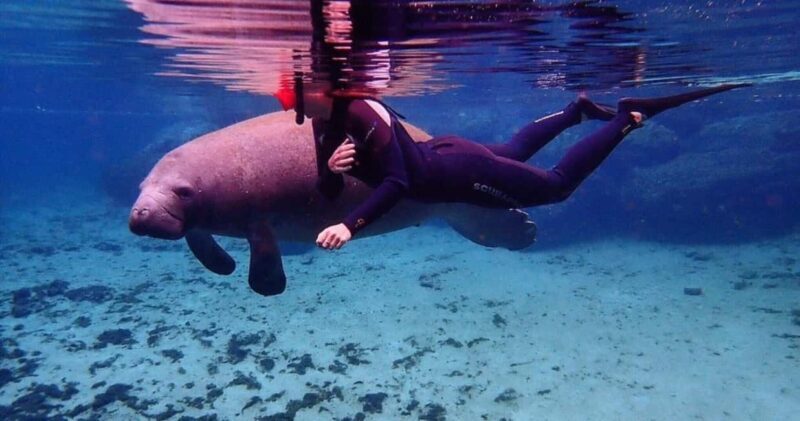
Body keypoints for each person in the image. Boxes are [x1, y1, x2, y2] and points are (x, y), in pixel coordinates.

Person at [275, 84, 745, 250]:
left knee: (557, 186)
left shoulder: (361, 110)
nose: (295, 109)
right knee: (513, 152)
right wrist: (333, 173)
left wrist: (351, 226)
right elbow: (328, 188)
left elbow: (399, 181)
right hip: (442, 155)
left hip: (451, 173)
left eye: (297, 99)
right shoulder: (322, 123)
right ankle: (575, 111)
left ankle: (628, 117)